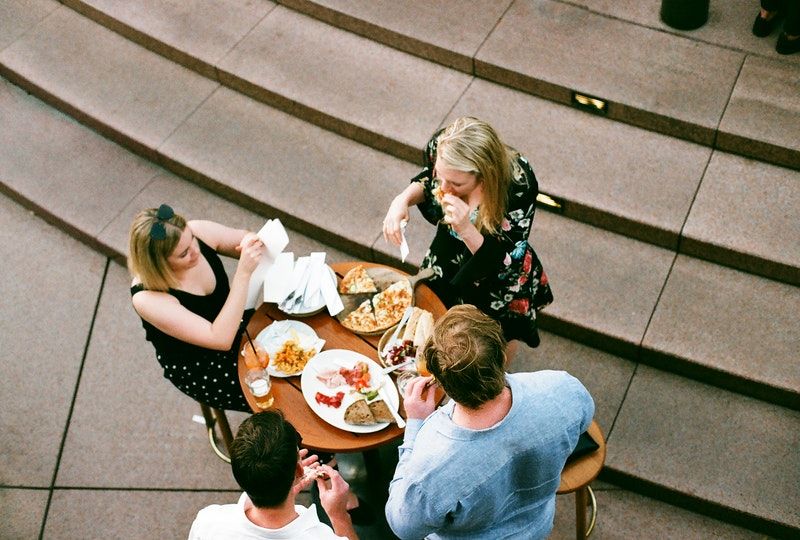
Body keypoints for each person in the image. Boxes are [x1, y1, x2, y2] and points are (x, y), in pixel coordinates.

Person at [385, 305, 594, 540]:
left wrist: (415, 424)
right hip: (536, 527)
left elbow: (402, 526)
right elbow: (584, 421)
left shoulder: (431, 466)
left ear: (441, 383)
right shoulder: (560, 388)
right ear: (503, 355)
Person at [382, 117, 552, 353]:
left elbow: (504, 258)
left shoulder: (518, 185)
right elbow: (429, 179)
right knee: (435, 316)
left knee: (494, 339)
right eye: (441, 177)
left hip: (498, 272)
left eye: (455, 184)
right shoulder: (443, 144)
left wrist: (465, 229)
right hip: (450, 253)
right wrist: (402, 199)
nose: (442, 189)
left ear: (484, 176)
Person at [128, 204, 265, 411]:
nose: (196, 251)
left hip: (234, 320)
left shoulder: (195, 232)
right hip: (203, 366)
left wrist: (250, 242)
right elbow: (219, 339)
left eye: (191, 238)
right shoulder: (147, 297)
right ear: (159, 264)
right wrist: (243, 274)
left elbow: (244, 237)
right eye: (183, 254)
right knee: (276, 393)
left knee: (296, 344)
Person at [188, 410, 358, 539]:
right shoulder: (322, 536)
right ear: (299, 470)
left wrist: (279, 484)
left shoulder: (209, 521)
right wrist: (339, 515)